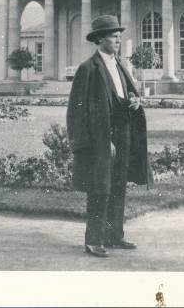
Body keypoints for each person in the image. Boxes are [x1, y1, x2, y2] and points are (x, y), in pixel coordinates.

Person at [67, 14, 153, 258]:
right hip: (102, 139)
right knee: (100, 188)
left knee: (118, 186)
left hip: (124, 135)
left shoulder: (120, 66)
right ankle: (93, 240)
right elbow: (77, 111)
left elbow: (122, 97)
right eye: (114, 36)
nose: (118, 40)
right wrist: (95, 143)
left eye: (118, 36)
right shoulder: (88, 69)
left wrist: (134, 102)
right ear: (100, 39)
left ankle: (114, 235)